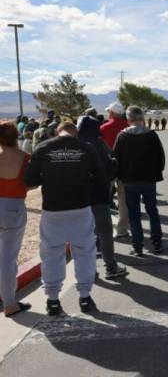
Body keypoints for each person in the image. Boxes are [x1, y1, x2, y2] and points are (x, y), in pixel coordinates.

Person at [25, 122, 104, 315]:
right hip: (80, 208)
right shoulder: (86, 147)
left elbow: (30, 181)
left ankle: (53, 300)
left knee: (51, 253)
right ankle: (85, 297)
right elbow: (101, 176)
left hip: (53, 210)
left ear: (56, 132)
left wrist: (49, 178)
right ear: (75, 133)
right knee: (85, 251)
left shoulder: (43, 148)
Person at [77, 117, 128, 280]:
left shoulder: (75, 145)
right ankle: (111, 267)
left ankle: (89, 270)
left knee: (85, 234)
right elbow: (110, 167)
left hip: (80, 198)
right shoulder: (98, 144)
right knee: (104, 231)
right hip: (99, 195)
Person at [114, 106, 166, 256]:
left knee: (134, 214)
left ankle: (137, 246)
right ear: (141, 117)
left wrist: (119, 176)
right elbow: (160, 157)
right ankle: (157, 243)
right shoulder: (151, 135)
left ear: (128, 119)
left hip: (129, 181)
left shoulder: (122, 136)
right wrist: (157, 172)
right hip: (149, 180)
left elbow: (116, 158)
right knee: (152, 211)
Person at [0, 121, 32, 317]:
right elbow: (30, 184)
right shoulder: (25, 158)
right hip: (14, 207)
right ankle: (10, 303)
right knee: (8, 259)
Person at [100, 102, 130, 239]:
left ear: (111, 113)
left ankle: (104, 228)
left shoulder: (104, 127)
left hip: (108, 168)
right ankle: (122, 229)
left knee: (105, 199)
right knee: (124, 200)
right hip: (125, 167)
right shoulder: (128, 127)